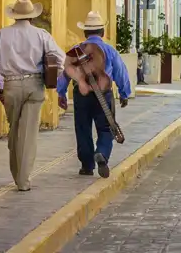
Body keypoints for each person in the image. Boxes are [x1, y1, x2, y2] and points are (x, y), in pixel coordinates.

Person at [0, 0, 65, 192]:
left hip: (10, 86)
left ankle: (16, 172)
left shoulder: (2, 35)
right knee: (28, 134)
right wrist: (54, 78)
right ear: (31, 16)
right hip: (34, 84)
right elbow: (60, 60)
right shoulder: (42, 35)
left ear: (14, 16)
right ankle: (23, 179)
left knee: (15, 129)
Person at [57, 11, 132, 178]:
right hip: (103, 94)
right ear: (102, 33)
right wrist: (124, 93)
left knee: (82, 128)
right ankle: (102, 153)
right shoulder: (109, 50)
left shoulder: (76, 51)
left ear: (84, 33)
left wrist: (61, 93)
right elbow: (121, 72)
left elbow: (65, 74)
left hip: (81, 94)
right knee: (105, 128)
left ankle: (86, 165)